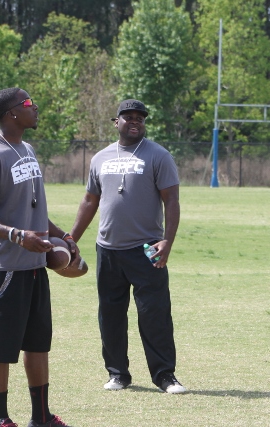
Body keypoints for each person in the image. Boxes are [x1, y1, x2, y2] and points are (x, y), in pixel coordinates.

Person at [0, 87, 74, 427]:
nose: (35, 107)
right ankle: (1, 419)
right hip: (4, 264)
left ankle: (41, 417)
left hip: (34, 263)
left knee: (38, 344)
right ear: (11, 113)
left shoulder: (27, 149)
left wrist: (63, 236)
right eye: (28, 103)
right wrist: (16, 236)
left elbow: (32, 207)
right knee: (1, 346)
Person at [68, 99, 186, 394]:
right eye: (128, 117)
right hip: (108, 248)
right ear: (116, 122)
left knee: (154, 313)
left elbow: (171, 200)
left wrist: (167, 241)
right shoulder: (100, 158)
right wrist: (71, 239)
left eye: (140, 118)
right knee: (110, 314)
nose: (135, 121)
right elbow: (90, 200)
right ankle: (117, 373)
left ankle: (165, 376)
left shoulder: (158, 155)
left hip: (147, 248)